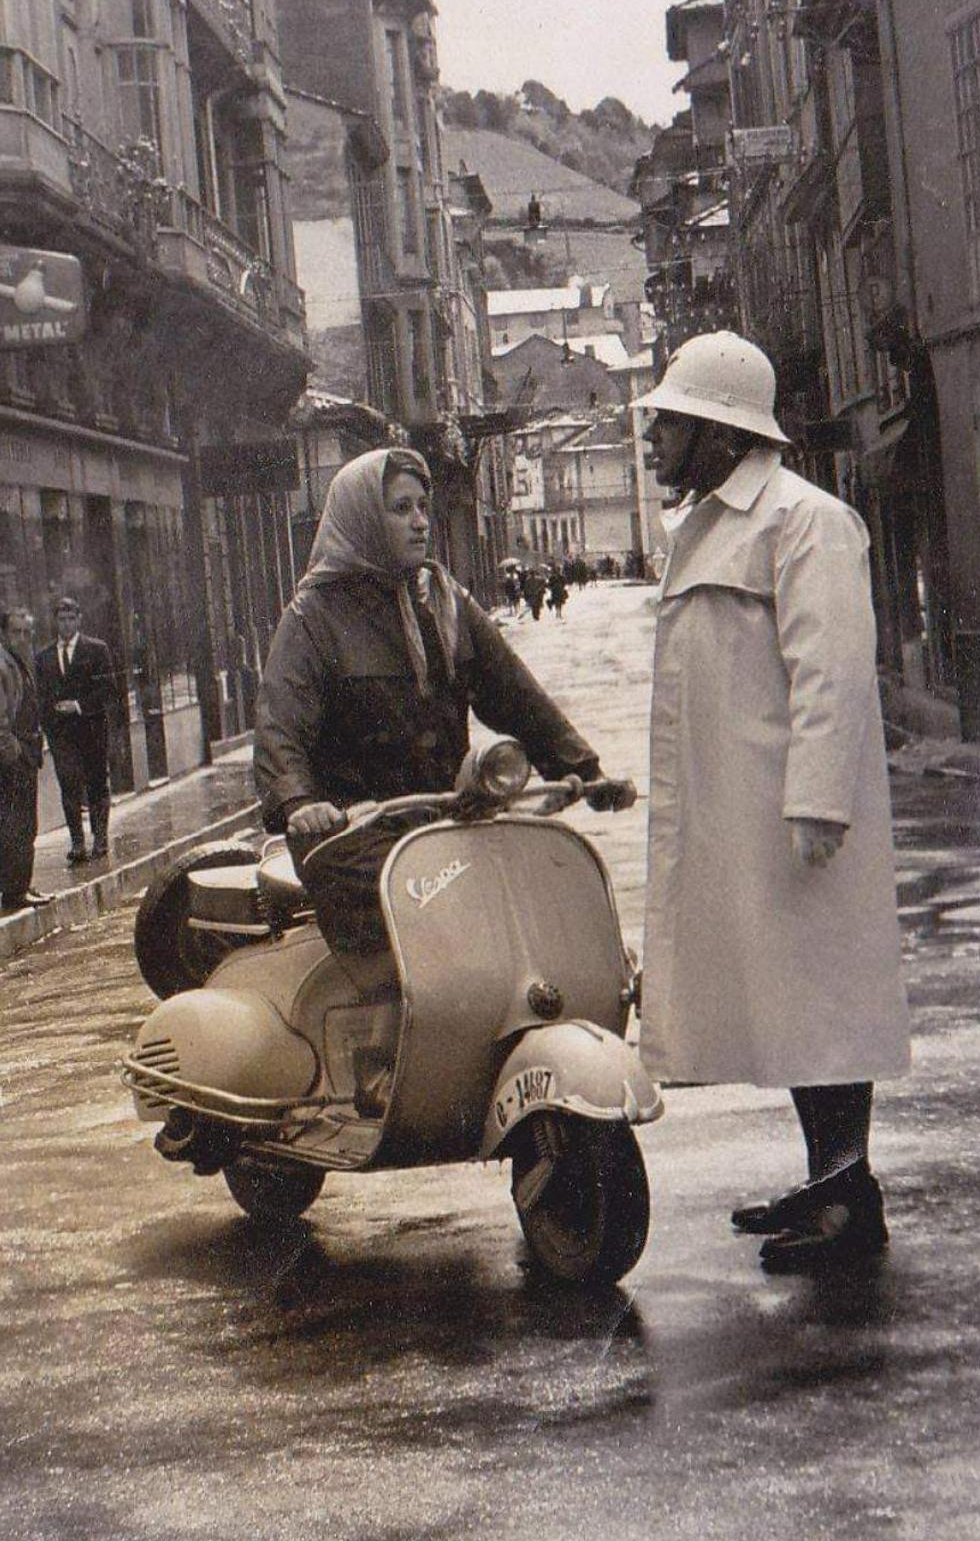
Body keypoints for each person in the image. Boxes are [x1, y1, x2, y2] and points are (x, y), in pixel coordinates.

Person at [633, 330, 911, 1274]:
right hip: (744, 816)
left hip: (796, 818)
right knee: (788, 1002)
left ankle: (848, 1200)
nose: (654, 437)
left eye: (671, 422)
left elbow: (832, 669)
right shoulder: (714, 525)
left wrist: (819, 801)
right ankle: (830, 1180)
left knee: (824, 1000)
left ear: (721, 431)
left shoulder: (805, 520)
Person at [254, 446, 628, 991]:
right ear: (362, 517)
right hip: (353, 836)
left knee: (524, 907)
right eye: (400, 508)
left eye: (423, 506)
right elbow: (280, 723)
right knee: (427, 959)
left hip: (445, 819)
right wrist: (299, 803)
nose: (420, 521)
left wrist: (583, 768)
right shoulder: (314, 615)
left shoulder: (445, 599)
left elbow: (515, 693)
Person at [0, 608, 52, 914]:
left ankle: (22, 884)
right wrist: (15, 756)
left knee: (26, 825)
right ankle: (14, 891)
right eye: (16, 632)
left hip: (25, 756)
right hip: (9, 763)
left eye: (27, 632)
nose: (22, 638)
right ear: (4, 634)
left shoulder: (17, 663)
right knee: (15, 827)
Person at [36, 597, 117, 864]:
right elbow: (41, 696)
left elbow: (108, 690)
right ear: (55, 622)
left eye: (71, 619)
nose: (67, 624)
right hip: (62, 736)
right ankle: (77, 842)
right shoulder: (44, 657)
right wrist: (50, 723)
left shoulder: (96, 650)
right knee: (69, 786)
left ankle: (100, 838)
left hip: (92, 730)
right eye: (62, 619)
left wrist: (79, 706)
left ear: (79, 619)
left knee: (97, 784)